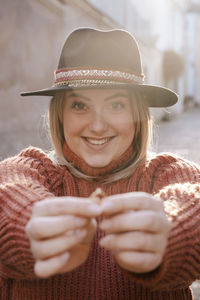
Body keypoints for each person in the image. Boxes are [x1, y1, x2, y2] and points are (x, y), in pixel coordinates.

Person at [0, 28, 200, 300]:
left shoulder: (164, 174)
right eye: (80, 106)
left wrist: (172, 231)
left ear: (137, 114)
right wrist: (27, 227)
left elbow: (193, 200)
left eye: (116, 105)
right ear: (60, 115)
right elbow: (10, 190)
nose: (97, 125)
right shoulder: (34, 169)